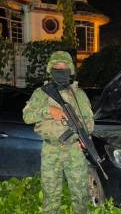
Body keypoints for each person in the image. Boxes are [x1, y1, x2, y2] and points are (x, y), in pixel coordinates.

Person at [23, 51, 94, 214]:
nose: (60, 69)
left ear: (70, 70)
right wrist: (48, 110)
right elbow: (27, 116)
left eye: (64, 67)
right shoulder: (41, 93)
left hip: (74, 149)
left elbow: (89, 122)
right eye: (56, 66)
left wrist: (83, 133)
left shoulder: (79, 94)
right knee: (51, 195)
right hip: (50, 150)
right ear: (50, 69)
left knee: (80, 193)